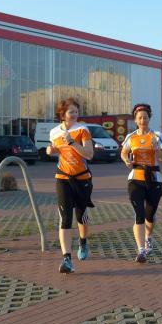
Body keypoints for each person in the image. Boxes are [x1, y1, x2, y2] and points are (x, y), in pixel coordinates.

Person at [47, 97, 94, 274]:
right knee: (65, 217)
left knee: (81, 215)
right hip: (63, 177)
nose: (74, 114)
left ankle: (83, 241)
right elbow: (54, 149)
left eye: (76, 111)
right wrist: (51, 150)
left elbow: (89, 154)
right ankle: (66, 258)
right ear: (62, 114)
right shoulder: (54, 132)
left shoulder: (82, 130)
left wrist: (72, 142)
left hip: (82, 178)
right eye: (71, 111)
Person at [120, 103, 162, 263]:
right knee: (139, 215)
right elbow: (123, 153)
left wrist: (157, 149)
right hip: (135, 179)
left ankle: (148, 237)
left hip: (154, 178)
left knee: (150, 215)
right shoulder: (131, 137)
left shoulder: (157, 135)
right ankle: (141, 250)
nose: (143, 120)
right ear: (135, 120)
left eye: (145, 117)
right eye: (140, 118)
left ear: (149, 118)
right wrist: (126, 160)